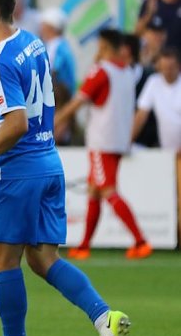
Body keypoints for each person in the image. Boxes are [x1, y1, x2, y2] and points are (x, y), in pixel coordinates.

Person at [0, 0, 129, 336]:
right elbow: (28, 113)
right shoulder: (32, 43)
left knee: (3, 258)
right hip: (48, 163)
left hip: (17, 170)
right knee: (42, 259)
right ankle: (106, 319)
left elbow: (17, 123)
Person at [54, 29, 152, 260]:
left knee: (107, 190)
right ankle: (84, 245)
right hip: (119, 139)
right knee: (94, 191)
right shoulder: (127, 71)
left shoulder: (101, 71)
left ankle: (141, 241)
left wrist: (55, 121)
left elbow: (79, 101)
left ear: (105, 46)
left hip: (101, 140)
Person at [132, 47, 181, 240]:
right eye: (165, 67)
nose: (168, 71)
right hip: (165, 153)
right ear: (159, 66)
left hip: (179, 152)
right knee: (169, 197)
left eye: (172, 67)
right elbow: (141, 115)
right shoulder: (153, 83)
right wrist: (127, 141)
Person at [38, 8, 76, 96]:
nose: (41, 29)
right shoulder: (54, 44)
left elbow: (52, 70)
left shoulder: (57, 46)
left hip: (61, 96)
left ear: (51, 28)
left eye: (43, 25)